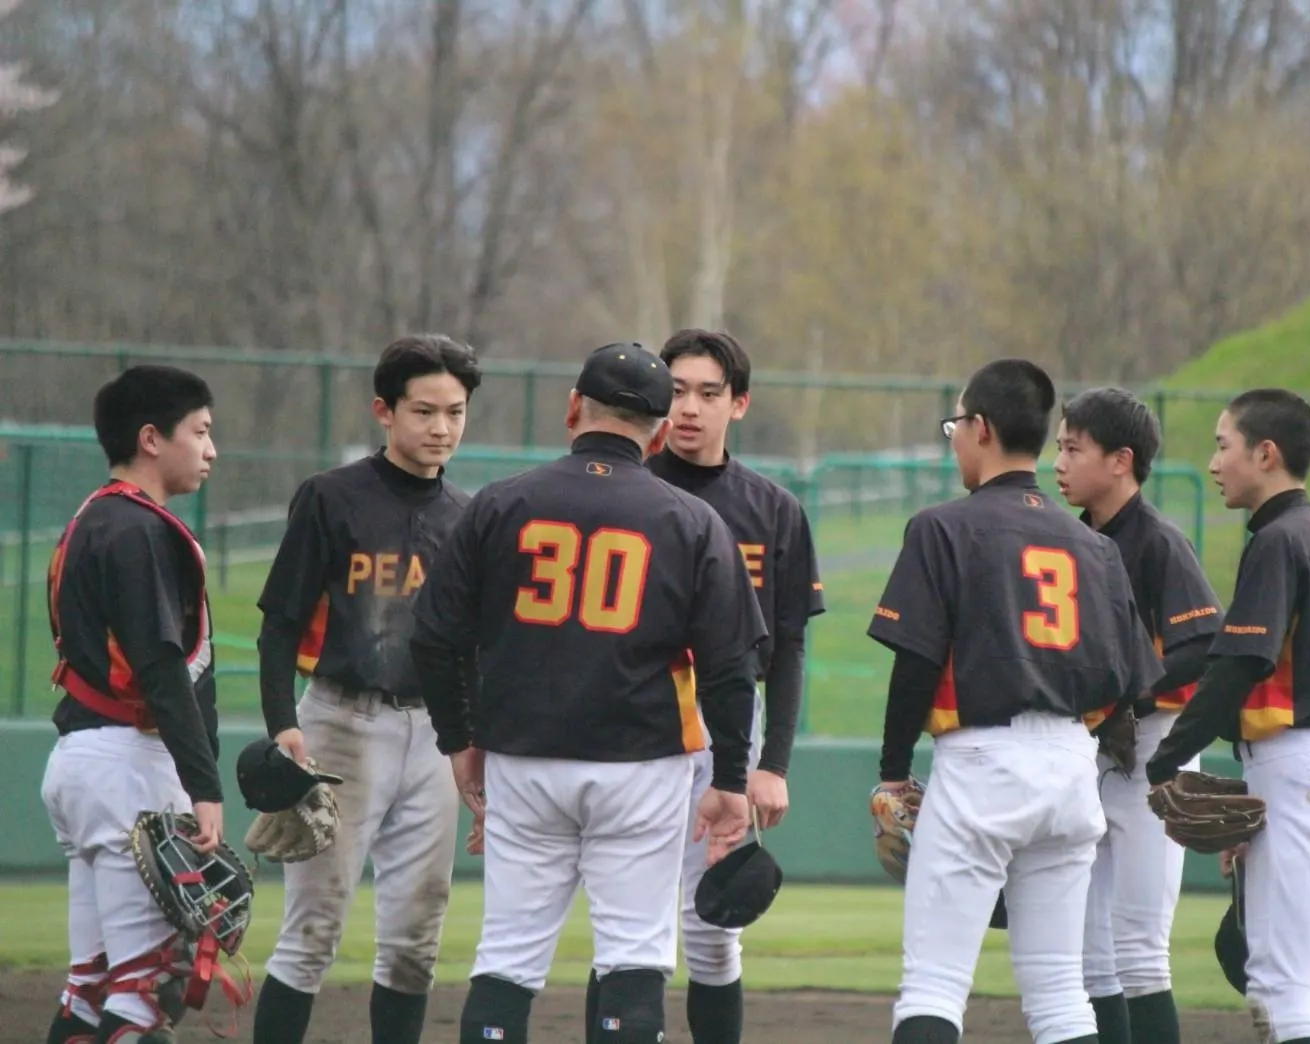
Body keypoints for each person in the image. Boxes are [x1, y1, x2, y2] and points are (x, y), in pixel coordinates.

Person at [408, 341, 768, 1044]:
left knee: (507, 957)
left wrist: (459, 740)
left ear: (573, 408)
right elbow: (731, 667)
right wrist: (730, 778)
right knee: (634, 955)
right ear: (658, 434)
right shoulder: (693, 521)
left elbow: (432, 638)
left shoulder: (500, 503)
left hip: (523, 759)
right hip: (643, 764)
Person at [868, 359, 1163, 1044]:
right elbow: (1130, 684)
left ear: (982, 428)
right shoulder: (1095, 546)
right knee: (1061, 996)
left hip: (982, 764)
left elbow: (915, 664)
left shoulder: (942, 528)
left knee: (933, 986)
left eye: (956, 426)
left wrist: (892, 772)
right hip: (1072, 768)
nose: (954, 440)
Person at [249, 334, 483, 1044]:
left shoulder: (469, 514)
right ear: (384, 410)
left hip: (435, 734)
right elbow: (279, 625)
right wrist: (283, 725)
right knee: (312, 931)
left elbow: (474, 649)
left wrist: (473, 744)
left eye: (455, 412)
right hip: (340, 725)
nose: (441, 427)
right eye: (423, 411)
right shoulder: (332, 497)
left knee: (416, 940)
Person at [609, 328, 825, 1044]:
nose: (690, 408)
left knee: (712, 925)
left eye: (709, 393)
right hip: (636, 710)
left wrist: (773, 765)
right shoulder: (626, 490)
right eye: (676, 391)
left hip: (727, 719)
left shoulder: (774, 509)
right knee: (631, 921)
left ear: (740, 403)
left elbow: (788, 647)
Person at [1146, 389, 1310, 1044]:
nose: (1214, 463)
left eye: (1224, 446)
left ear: (1266, 453)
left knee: (1277, 988)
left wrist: (1165, 759)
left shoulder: (1278, 540)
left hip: (1297, 769)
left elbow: (1240, 664)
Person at [39, 364, 223, 1043]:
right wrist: (204, 786)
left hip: (79, 764)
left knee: (90, 990)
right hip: (129, 769)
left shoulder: (88, 519)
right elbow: (161, 668)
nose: (210, 450)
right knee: (144, 993)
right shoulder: (141, 530)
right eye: (199, 432)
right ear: (151, 439)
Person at [1053, 387, 1226, 1044]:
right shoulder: (1071, 540)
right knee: (1089, 955)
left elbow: (1202, 646)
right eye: (1059, 447)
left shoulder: (1157, 542)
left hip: (1150, 751)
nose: (1059, 463)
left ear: (1121, 460)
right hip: (1091, 749)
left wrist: (1133, 702)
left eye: (1074, 449)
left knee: (1141, 950)